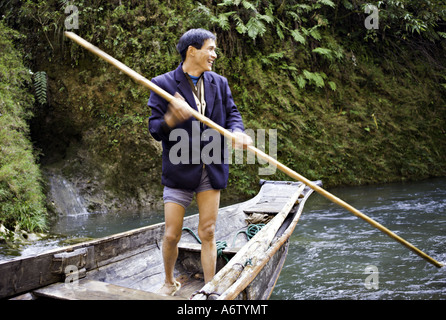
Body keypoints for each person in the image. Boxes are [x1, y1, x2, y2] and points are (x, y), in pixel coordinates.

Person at [148, 28, 252, 296]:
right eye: (211, 49)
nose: (214, 55)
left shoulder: (220, 82)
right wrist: (172, 117)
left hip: (212, 165)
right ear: (191, 51)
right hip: (179, 167)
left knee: (207, 231)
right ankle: (169, 282)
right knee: (171, 234)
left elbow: (232, 114)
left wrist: (237, 132)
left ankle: (210, 289)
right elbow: (155, 129)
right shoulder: (162, 84)